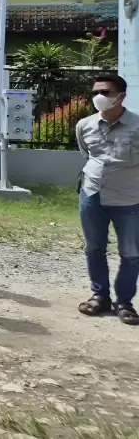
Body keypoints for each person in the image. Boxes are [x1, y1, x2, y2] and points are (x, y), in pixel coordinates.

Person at [74, 73, 139, 326]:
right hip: (92, 195)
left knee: (131, 253)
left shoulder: (137, 126)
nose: (99, 97)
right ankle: (99, 296)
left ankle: (124, 303)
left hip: (130, 199)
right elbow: (87, 155)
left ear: (121, 96)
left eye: (106, 92)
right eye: (94, 92)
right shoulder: (85, 125)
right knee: (93, 248)